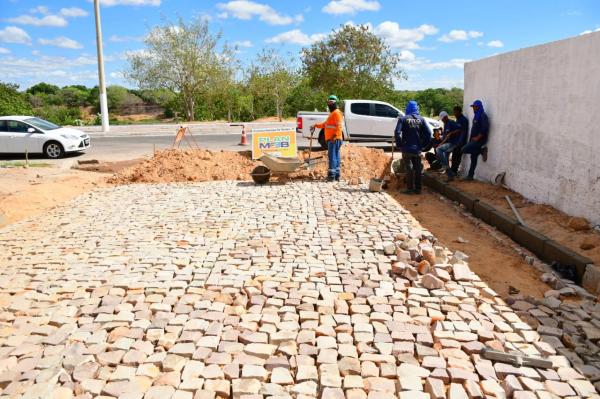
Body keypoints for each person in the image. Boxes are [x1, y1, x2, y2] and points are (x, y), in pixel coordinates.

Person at [394, 100, 432, 194]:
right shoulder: (421, 119)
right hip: (417, 149)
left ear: (407, 108)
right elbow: (429, 133)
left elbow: (397, 133)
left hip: (407, 148)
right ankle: (418, 189)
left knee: (409, 169)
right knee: (418, 169)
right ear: (416, 108)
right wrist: (423, 145)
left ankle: (410, 189)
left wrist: (399, 144)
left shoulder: (403, 119)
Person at [311, 95, 344, 181]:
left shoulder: (336, 113)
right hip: (333, 139)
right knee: (336, 156)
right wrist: (315, 125)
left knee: (332, 157)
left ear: (335, 103)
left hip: (334, 139)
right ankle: (337, 175)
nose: (329, 104)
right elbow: (325, 125)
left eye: (331, 103)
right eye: (328, 102)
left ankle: (331, 176)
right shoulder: (332, 114)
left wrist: (334, 136)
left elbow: (339, 126)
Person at [461, 99, 490, 180]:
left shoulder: (483, 115)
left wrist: (478, 137)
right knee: (473, 158)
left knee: (463, 149)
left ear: (479, 107)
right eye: (473, 107)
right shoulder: (476, 115)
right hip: (473, 140)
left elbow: (485, 128)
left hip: (479, 140)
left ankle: (481, 151)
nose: (473, 108)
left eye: (475, 107)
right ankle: (470, 176)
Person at [435, 111, 462, 181]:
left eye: (442, 119)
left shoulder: (452, 122)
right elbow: (445, 136)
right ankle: (450, 175)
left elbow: (460, 129)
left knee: (438, 149)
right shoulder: (445, 124)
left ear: (446, 117)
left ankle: (445, 166)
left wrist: (451, 133)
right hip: (447, 143)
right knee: (445, 159)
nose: (442, 120)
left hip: (453, 143)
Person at [450, 105, 469, 175]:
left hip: (461, 142)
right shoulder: (458, 119)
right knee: (454, 156)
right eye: (454, 112)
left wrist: (460, 142)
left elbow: (464, 132)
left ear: (460, 112)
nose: (454, 114)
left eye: (456, 112)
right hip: (456, 142)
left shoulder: (464, 120)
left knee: (457, 157)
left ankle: (454, 171)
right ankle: (453, 170)